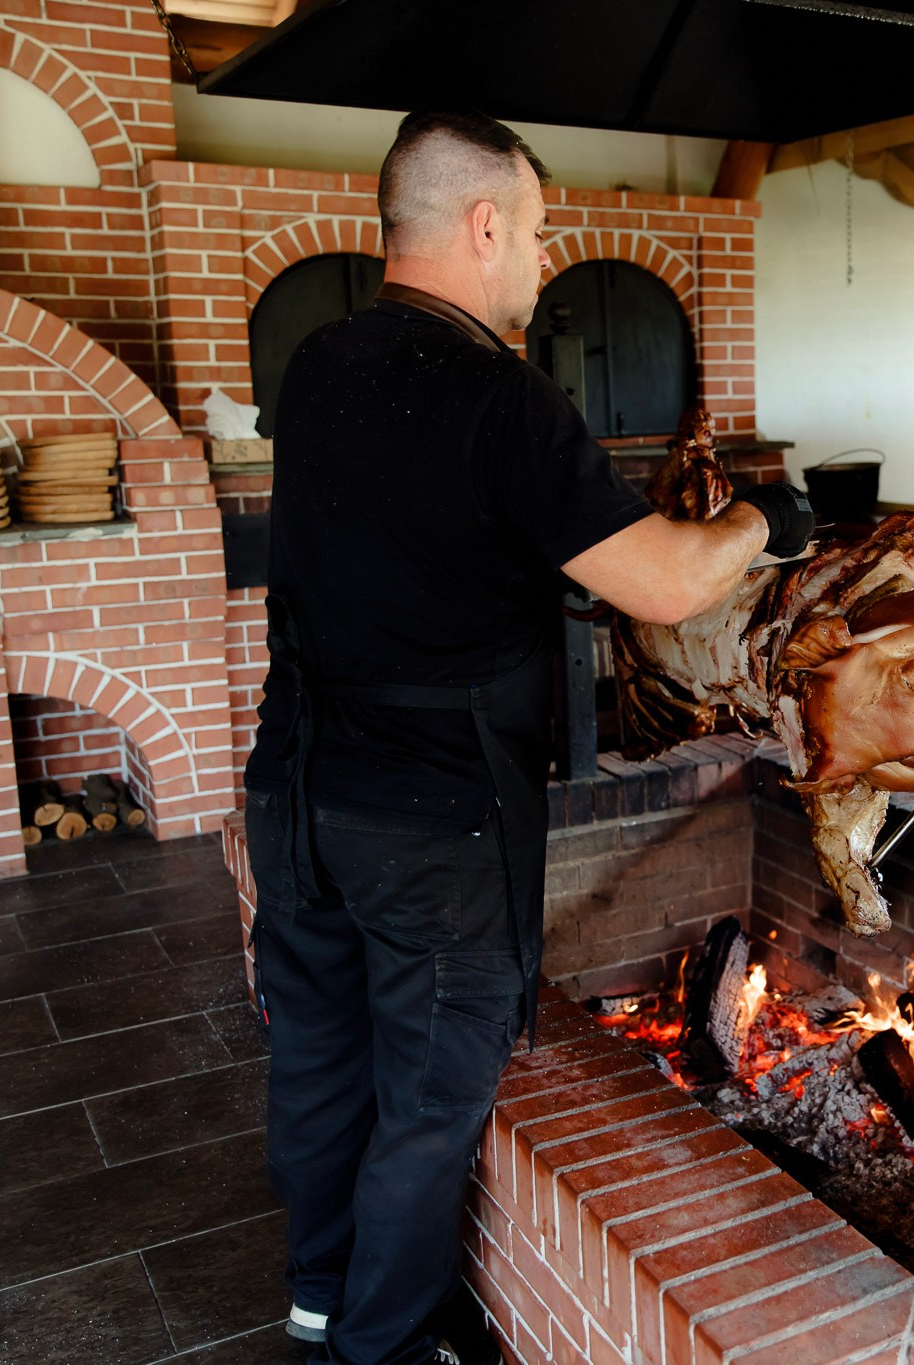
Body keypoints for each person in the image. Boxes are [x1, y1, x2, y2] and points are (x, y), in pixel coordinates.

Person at [241, 110, 811, 1365]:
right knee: (432, 1100)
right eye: (539, 233)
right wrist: (765, 518)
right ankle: (381, 1348)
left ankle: (320, 1293)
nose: (540, 263)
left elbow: (418, 541)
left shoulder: (318, 365)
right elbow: (663, 584)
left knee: (323, 1062)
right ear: (483, 221)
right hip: (430, 816)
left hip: (291, 787)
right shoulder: (503, 396)